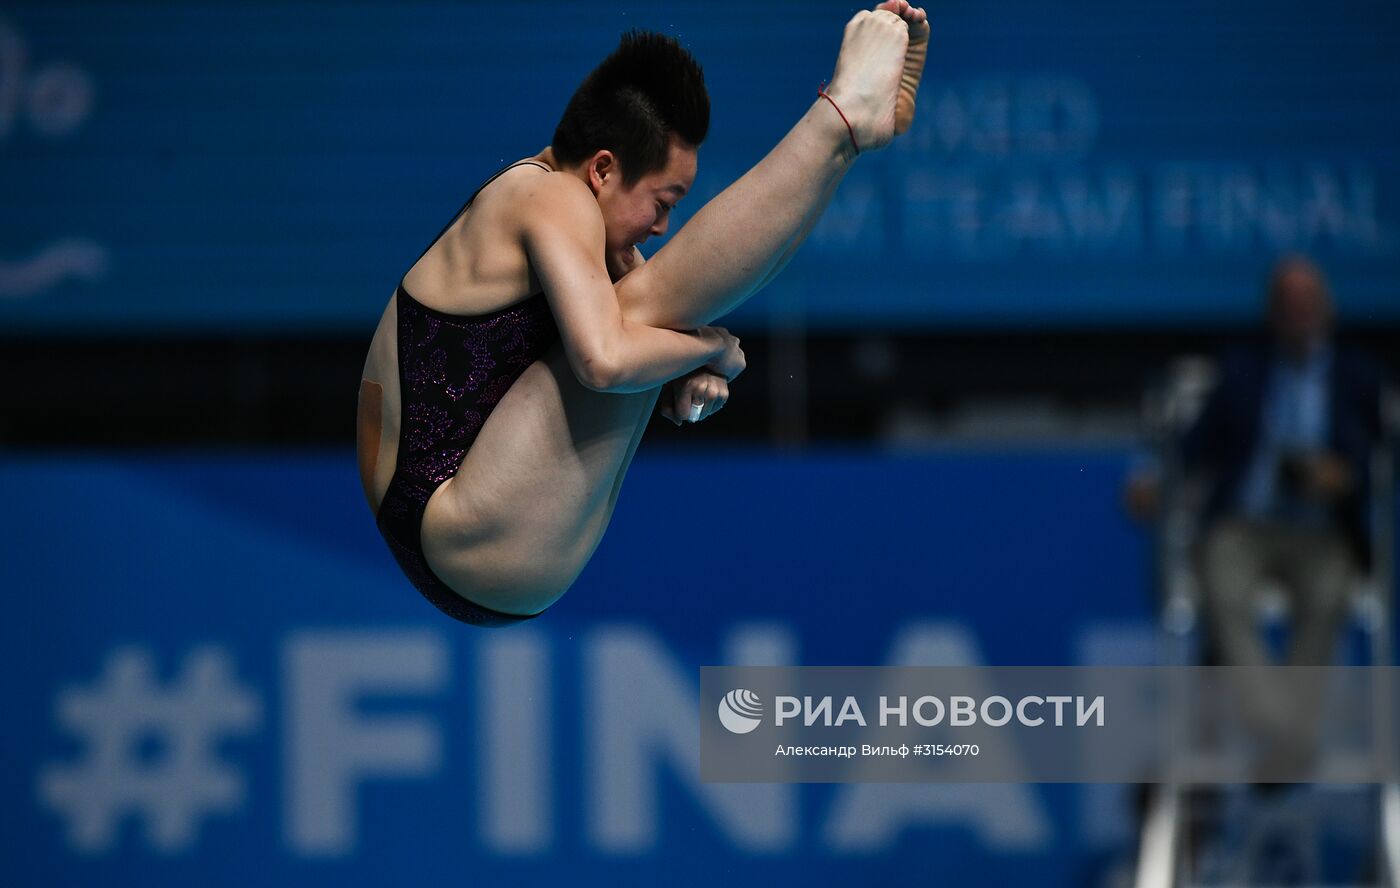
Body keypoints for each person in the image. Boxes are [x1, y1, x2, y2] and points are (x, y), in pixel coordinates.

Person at [357, 3, 931, 625]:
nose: (662, 226)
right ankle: (839, 121)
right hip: (457, 528)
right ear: (602, 168)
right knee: (646, 305)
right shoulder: (550, 195)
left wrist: (683, 363)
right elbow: (604, 361)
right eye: (662, 201)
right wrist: (703, 348)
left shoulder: (579, 221)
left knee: (650, 307)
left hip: (470, 541)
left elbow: (625, 349)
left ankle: (847, 140)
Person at [1126, 255, 1388, 776]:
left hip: (1322, 530)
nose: (1298, 314)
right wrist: (1155, 479)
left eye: (1307, 303)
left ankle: (1286, 738)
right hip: (1244, 525)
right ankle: (1276, 725)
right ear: (1272, 313)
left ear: (1326, 310)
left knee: (1329, 594)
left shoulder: (1357, 375)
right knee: (1217, 580)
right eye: (1287, 304)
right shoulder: (1242, 370)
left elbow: (1376, 453)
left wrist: (1342, 475)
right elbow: (1192, 446)